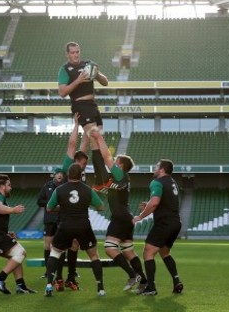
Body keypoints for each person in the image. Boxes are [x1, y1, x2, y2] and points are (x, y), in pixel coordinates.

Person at [90, 127, 147, 292]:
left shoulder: (121, 175)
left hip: (120, 217)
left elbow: (106, 156)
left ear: (120, 165)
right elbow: (104, 188)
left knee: (109, 248)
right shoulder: (118, 180)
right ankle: (143, 281)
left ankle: (132, 274)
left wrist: (99, 138)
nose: (113, 161)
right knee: (129, 251)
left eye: (116, 160)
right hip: (126, 217)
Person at [43, 163, 106, 297]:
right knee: (94, 255)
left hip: (65, 225)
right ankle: (100, 288)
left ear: (68, 175)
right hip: (83, 225)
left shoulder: (59, 190)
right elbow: (101, 208)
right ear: (81, 175)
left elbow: (49, 208)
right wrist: (85, 203)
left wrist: (63, 207)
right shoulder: (88, 190)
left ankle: (49, 286)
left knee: (55, 252)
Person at [57, 41, 112, 191]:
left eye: (77, 52)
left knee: (99, 141)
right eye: (72, 52)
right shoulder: (64, 69)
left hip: (93, 106)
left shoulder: (88, 64)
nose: (75, 55)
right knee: (95, 137)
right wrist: (78, 80)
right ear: (67, 54)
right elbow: (62, 92)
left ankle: (99, 181)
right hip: (80, 106)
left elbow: (105, 82)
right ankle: (104, 179)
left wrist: (97, 74)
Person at [132, 159, 184, 296]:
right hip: (175, 223)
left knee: (148, 252)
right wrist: (149, 205)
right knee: (165, 252)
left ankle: (151, 287)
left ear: (162, 170)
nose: (154, 169)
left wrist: (140, 216)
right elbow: (162, 202)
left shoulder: (157, 182)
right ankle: (176, 281)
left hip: (164, 223)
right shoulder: (173, 182)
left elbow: (155, 202)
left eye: (156, 167)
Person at [0, 174, 36, 295]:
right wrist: (13, 210)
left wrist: (6, 233)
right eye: (9, 185)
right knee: (21, 252)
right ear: (2, 186)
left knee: (15, 256)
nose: (11, 187)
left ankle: (21, 286)